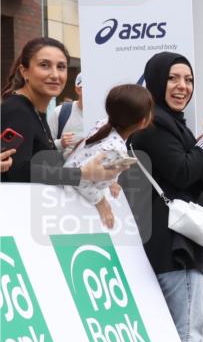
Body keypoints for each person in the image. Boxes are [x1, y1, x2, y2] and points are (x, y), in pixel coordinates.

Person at [127, 51, 203, 342]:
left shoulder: (169, 123)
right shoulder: (155, 122)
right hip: (173, 247)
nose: (182, 86)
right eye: (172, 78)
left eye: (188, 79)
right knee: (185, 331)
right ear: (156, 80)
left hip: (172, 243)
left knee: (180, 330)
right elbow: (183, 172)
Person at [2, 37, 124, 185]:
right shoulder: (17, 110)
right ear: (24, 72)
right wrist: (82, 173)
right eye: (44, 65)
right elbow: (19, 172)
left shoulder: (34, 111)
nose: (55, 75)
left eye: (61, 67)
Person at [64, 84, 153, 229]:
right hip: (74, 203)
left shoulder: (104, 124)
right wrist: (101, 202)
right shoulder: (115, 149)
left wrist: (111, 182)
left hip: (69, 194)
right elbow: (79, 180)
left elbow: (90, 157)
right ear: (143, 121)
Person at [47, 72, 86, 156]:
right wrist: (60, 144)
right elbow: (44, 145)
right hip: (66, 168)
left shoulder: (106, 114)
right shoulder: (60, 112)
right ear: (78, 90)